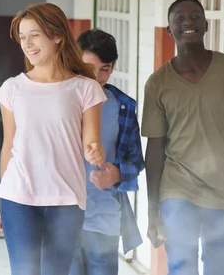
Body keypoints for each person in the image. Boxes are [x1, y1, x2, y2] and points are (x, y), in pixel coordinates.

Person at [141, 0, 224, 275]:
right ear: (169, 30)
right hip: (177, 190)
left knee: (221, 270)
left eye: (195, 17)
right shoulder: (158, 83)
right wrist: (153, 210)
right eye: (180, 19)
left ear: (206, 25)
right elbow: (155, 149)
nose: (188, 22)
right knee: (182, 267)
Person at [0, 2, 107, 275]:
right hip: (18, 198)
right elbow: (9, 146)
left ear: (57, 36)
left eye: (35, 35)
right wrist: (2, 202)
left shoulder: (85, 88)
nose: (27, 43)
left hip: (66, 200)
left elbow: (92, 142)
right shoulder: (12, 89)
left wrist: (96, 153)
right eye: (22, 37)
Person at [69, 29, 144, 275]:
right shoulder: (59, 101)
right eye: (90, 67)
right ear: (75, 60)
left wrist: (117, 174)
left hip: (104, 220)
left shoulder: (123, 105)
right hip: (61, 220)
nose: (97, 76)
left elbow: (136, 160)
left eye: (105, 69)